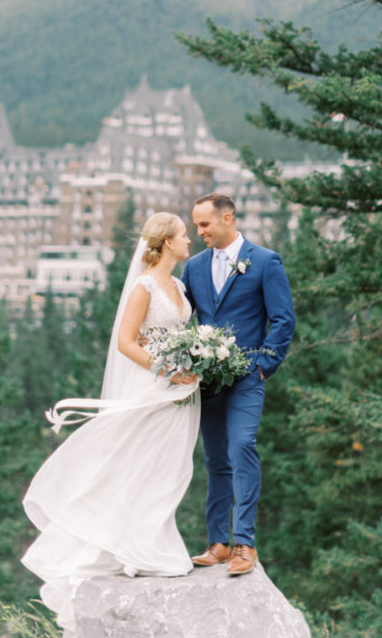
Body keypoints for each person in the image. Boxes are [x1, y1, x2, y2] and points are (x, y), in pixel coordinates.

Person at [21, 213, 199, 633]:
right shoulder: (145, 286)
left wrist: (195, 361)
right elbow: (124, 341)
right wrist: (166, 369)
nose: (189, 240)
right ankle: (128, 546)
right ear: (167, 243)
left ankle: (152, 538)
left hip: (182, 393)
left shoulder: (180, 286)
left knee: (169, 468)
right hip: (154, 385)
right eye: (184, 235)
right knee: (136, 461)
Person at [181, 192, 295, 576]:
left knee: (242, 446)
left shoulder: (265, 261)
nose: (199, 233)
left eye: (204, 224)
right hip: (208, 382)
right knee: (215, 460)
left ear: (227, 218)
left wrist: (263, 365)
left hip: (248, 377)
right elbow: (185, 319)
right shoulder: (194, 267)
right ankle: (218, 543)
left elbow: (283, 320)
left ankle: (245, 543)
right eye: (196, 225)